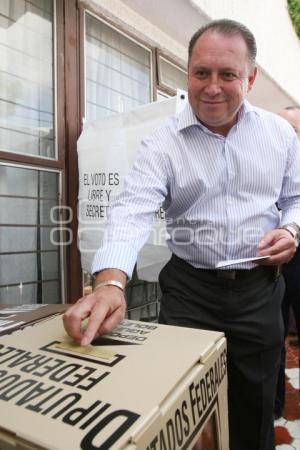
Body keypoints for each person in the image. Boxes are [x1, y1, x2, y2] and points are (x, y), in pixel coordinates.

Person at [63, 19, 300, 450]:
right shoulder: (162, 143)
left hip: (259, 292)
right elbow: (132, 209)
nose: (211, 87)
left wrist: (292, 229)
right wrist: (111, 281)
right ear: (187, 71)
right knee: (185, 409)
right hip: (189, 293)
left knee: (254, 409)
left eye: (227, 75)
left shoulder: (280, 134)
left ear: (250, 77)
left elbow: (296, 196)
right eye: (200, 73)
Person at [274, 106, 300, 419]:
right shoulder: (266, 163)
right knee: (272, 335)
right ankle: (275, 404)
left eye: (290, 129)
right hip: (274, 264)